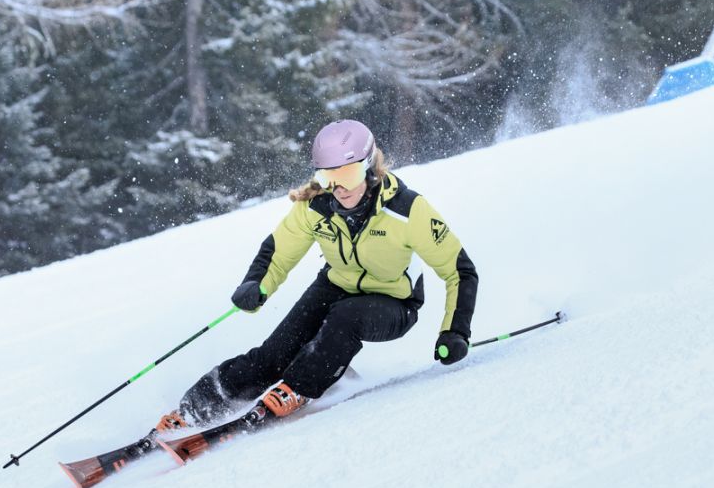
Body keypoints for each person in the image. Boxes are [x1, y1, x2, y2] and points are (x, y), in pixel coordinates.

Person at [155, 119, 478, 431]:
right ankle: (198, 406)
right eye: (328, 177)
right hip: (335, 285)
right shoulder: (315, 206)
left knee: (345, 317)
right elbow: (279, 249)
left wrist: (455, 332)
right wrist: (256, 284)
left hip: (394, 302)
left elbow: (459, 271)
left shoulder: (407, 210)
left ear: (370, 166)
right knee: (272, 356)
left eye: (349, 174)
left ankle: (299, 386)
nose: (339, 187)